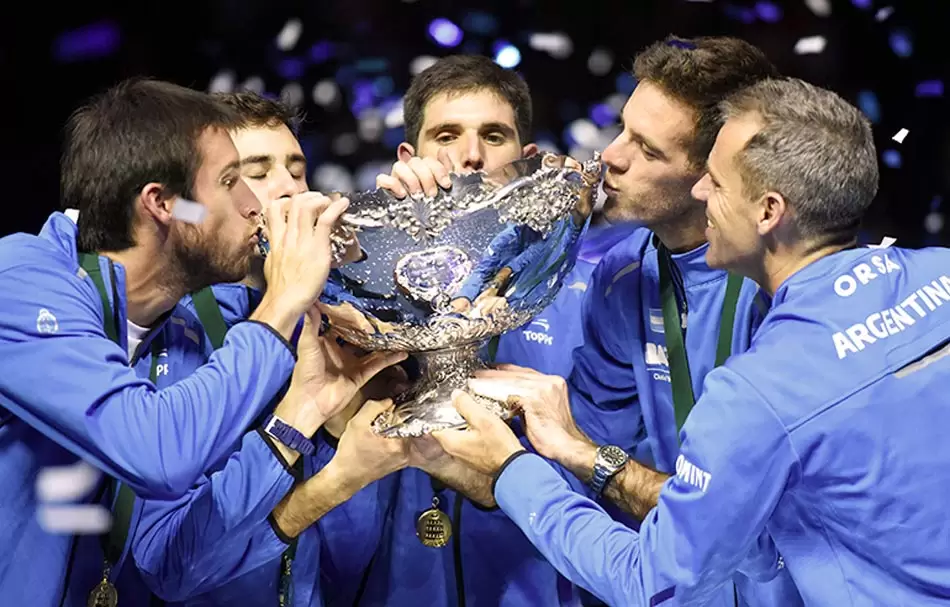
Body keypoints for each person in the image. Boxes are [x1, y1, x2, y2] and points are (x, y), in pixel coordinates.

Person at [435, 76, 950, 605]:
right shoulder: (942, 274)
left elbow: (648, 579)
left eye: (718, 182)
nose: (700, 191)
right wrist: (578, 451)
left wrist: (512, 471)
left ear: (769, 212)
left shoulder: (758, 390)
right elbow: (770, 540)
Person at [431, 36, 803, 606]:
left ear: (714, 172)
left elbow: (745, 516)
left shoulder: (786, 285)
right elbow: (585, 458)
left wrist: (567, 459)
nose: (611, 157)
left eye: (648, 151)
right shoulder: (623, 272)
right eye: (624, 130)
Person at [0, 79, 368, 605]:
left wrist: (303, 410)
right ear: (165, 204)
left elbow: (166, 557)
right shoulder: (19, 281)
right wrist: (282, 300)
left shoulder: (179, 327)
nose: (254, 204)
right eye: (233, 181)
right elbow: (157, 453)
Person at [93, 91, 409, 606]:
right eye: (255, 173)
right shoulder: (171, 327)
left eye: (297, 169)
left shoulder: (320, 326)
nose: (288, 190)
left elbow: (346, 558)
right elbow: (170, 567)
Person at [328, 54, 602, 607]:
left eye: (493, 136)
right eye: (446, 136)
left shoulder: (587, 290)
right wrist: (364, 252)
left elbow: (602, 493)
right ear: (410, 157)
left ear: (526, 159)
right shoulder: (369, 283)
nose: (471, 155)